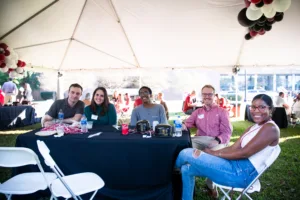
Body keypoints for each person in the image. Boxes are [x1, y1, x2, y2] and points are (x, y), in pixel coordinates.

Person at [176, 94, 280, 200]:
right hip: (232, 166)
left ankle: (171, 170)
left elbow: (244, 153)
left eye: (262, 107)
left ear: (271, 109)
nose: (256, 110)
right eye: (253, 107)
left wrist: (213, 153)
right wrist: (210, 153)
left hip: (241, 174)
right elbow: (233, 148)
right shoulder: (254, 127)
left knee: (186, 153)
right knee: (186, 169)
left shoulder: (270, 128)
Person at [182, 85, 232, 196]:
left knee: (213, 157)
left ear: (214, 96)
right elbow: (187, 123)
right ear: (202, 96)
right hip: (200, 139)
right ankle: (188, 178)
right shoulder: (198, 111)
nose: (207, 96)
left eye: (209, 94)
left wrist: (217, 140)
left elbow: (227, 132)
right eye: (204, 94)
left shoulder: (222, 111)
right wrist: (183, 125)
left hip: (216, 139)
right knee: (185, 149)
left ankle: (211, 186)